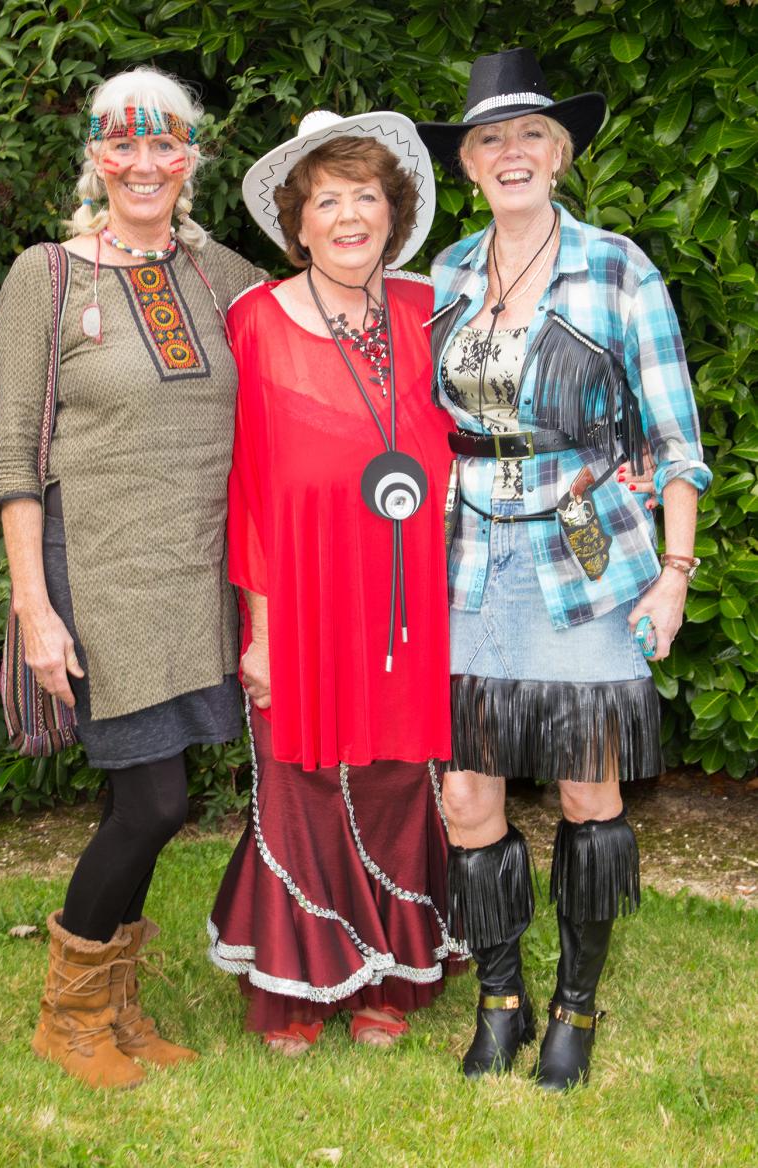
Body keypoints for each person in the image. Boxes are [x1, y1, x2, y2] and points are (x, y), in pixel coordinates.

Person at [416, 48, 711, 1089]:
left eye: (531, 135)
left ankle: (576, 1008)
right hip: (463, 563)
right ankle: (500, 997)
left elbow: (675, 441)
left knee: (588, 790)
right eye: (489, 138)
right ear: (466, 163)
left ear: (563, 151)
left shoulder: (619, 267)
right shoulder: (445, 274)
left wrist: (673, 572)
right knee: (464, 795)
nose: (511, 153)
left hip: (587, 555)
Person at [0, 68, 265, 1089]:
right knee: (149, 801)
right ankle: (68, 1014)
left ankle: (115, 1003)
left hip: (198, 575)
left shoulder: (221, 273)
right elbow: (17, 452)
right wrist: (34, 607)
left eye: (166, 145)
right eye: (123, 143)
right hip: (97, 577)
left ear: (193, 157)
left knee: (165, 799)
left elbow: (302, 359)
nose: (144, 164)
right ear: (96, 155)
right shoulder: (48, 276)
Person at [207, 111, 456, 1054]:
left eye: (367, 197)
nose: (350, 216)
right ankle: (304, 981)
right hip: (299, 584)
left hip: (407, 587)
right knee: (301, 775)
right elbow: (250, 486)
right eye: (328, 200)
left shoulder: (432, 308)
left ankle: (387, 973)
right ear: (296, 221)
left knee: (396, 774)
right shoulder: (254, 321)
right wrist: (259, 629)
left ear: (392, 215)